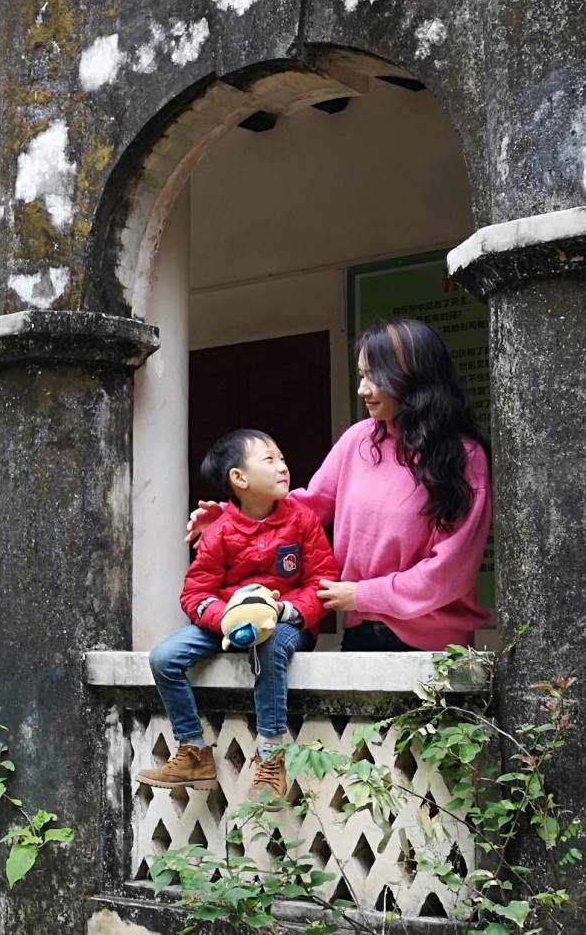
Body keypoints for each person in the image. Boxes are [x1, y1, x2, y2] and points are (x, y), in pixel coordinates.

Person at [186, 318, 492, 652]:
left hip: (434, 646)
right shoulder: (359, 439)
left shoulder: (464, 458)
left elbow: (449, 572)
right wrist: (238, 517)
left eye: (373, 376)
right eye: (362, 376)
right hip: (360, 631)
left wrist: (362, 594)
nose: (362, 389)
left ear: (412, 375)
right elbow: (308, 508)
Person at [138, 429, 339, 801]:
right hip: (229, 622)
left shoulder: (302, 521)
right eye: (270, 459)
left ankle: (271, 755)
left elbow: (323, 581)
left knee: (270, 644)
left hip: (286, 622)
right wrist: (228, 618)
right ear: (239, 478)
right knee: (164, 658)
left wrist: (284, 610)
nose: (283, 466)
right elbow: (196, 593)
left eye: (282, 458)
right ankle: (193, 751)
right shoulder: (220, 532)